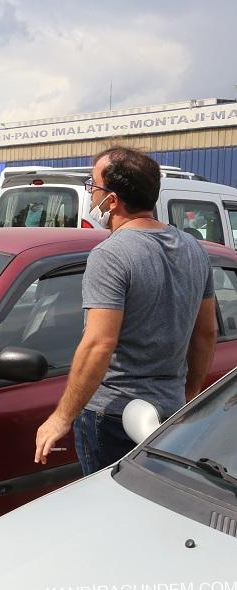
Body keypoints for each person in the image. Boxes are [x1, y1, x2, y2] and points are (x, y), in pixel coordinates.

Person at [35, 147, 218, 475]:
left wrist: (61, 417)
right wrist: (189, 394)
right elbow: (205, 333)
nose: (90, 195)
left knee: (111, 508)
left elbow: (99, 344)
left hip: (113, 417)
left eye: (92, 186)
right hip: (170, 410)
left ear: (113, 200)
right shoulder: (193, 247)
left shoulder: (110, 254)